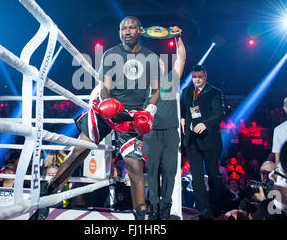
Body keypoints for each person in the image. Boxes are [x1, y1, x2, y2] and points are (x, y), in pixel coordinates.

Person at [30, 16, 160, 220]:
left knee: (134, 168)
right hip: (107, 111)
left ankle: (141, 217)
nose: (126, 31)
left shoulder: (151, 58)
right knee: (77, 153)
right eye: (122, 28)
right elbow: (105, 87)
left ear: (140, 30)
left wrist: (149, 112)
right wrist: (108, 105)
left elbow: (155, 91)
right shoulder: (110, 55)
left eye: (131, 27)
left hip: (132, 116)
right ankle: (47, 198)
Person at [143, 34, 186, 220]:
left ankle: (165, 207)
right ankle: (153, 208)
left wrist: (178, 38)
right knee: (152, 172)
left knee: (169, 171)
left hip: (170, 133)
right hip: (151, 133)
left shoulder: (171, 79)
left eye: (159, 63)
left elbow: (182, 57)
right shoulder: (141, 85)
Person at [180, 65, 225, 219]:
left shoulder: (215, 92)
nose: (197, 79)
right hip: (192, 140)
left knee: (213, 175)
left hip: (210, 140)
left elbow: (219, 114)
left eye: (200, 76)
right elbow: (183, 109)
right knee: (196, 176)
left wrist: (205, 123)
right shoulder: (186, 92)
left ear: (205, 76)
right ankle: (203, 208)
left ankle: (217, 206)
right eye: (194, 77)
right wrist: (183, 119)